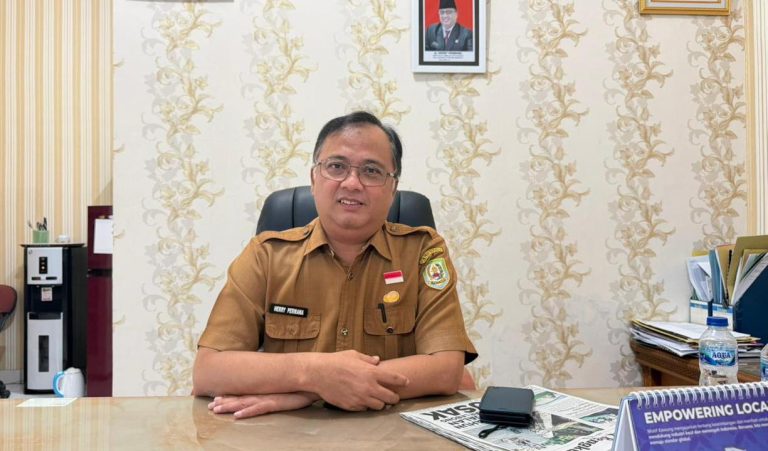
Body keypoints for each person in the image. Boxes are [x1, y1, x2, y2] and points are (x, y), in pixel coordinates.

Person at [192, 111, 477, 419]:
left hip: (392, 431)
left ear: (392, 188)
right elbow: (209, 371)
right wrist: (314, 373)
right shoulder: (266, 256)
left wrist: (307, 392)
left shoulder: (423, 252)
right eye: (337, 166)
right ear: (314, 178)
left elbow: (446, 369)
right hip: (289, 434)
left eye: (371, 171)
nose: (352, 183)